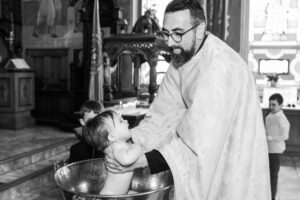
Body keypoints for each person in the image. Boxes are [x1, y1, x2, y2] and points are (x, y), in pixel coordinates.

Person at [105, 0, 271, 199]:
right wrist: (127, 140)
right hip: (208, 151)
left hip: (233, 159)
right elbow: (162, 115)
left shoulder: (220, 67)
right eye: (166, 33)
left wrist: (143, 160)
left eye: (177, 33)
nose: (170, 42)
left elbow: (198, 142)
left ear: (199, 30)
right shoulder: (182, 56)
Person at [84, 110, 143, 195]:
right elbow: (126, 160)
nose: (126, 121)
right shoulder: (115, 146)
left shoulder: (119, 145)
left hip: (119, 194)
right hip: (110, 196)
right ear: (112, 136)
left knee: (136, 194)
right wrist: (138, 146)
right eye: (121, 121)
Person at [266, 93, 290, 200]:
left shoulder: (282, 119)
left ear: (281, 105)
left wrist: (270, 138)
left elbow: (285, 136)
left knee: (273, 176)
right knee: (267, 175)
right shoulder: (269, 116)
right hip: (267, 149)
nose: (271, 107)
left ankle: (272, 198)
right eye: (270, 104)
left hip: (275, 151)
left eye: (274, 105)